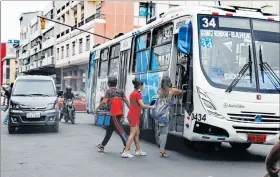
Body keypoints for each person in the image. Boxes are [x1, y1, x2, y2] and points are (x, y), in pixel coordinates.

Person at [95, 77, 130, 153]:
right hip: (119, 113)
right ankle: (102, 145)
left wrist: (97, 108)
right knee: (109, 130)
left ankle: (127, 147)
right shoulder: (121, 91)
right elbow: (126, 101)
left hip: (114, 114)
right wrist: (131, 109)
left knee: (120, 130)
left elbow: (104, 102)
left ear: (109, 84)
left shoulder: (109, 91)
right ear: (116, 83)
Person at [121, 79, 155, 158]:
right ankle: (126, 151)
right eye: (143, 85)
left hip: (132, 114)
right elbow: (142, 105)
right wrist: (151, 106)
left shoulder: (133, 93)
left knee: (136, 133)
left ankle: (138, 150)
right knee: (132, 134)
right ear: (140, 86)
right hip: (134, 115)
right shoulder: (137, 94)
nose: (143, 87)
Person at [156, 76, 183, 157]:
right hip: (165, 115)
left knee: (161, 131)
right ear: (169, 83)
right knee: (164, 133)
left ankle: (161, 147)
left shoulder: (159, 91)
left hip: (158, 113)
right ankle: (162, 150)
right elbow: (179, 91)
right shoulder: (170, 91)